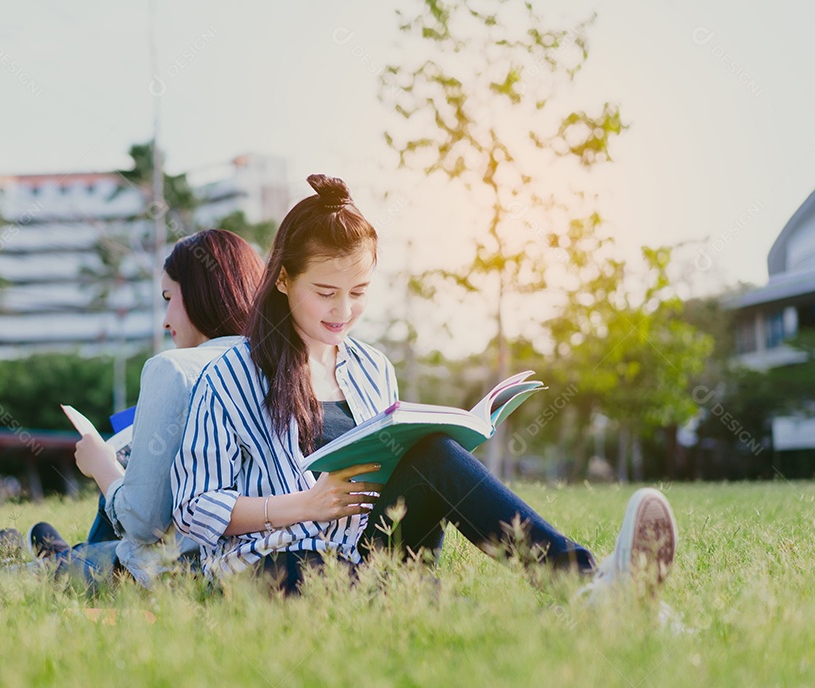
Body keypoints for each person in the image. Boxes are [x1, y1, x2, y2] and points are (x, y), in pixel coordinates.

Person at [172, 175, 678, 596]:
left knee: (435, 453)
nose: (343, 311)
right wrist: (302, 505)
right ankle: (407, 596)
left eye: (359, 292)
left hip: (360, 552)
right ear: (283, 280)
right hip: (271, 566)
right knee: (365, 586)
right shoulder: (230, 376)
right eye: (325, 293)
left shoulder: (371, 368)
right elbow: (193, 509)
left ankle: (586, 585)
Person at [0, 229, 265, 589]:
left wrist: (102, 467)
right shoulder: (280, 366)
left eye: (169, 298)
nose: (165, 320)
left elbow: (143, 523)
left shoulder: (175, 368)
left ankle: (50, 558)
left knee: (1, 579)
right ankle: (62, 554)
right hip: (252, 567)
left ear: (199, 294)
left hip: (169, 573)